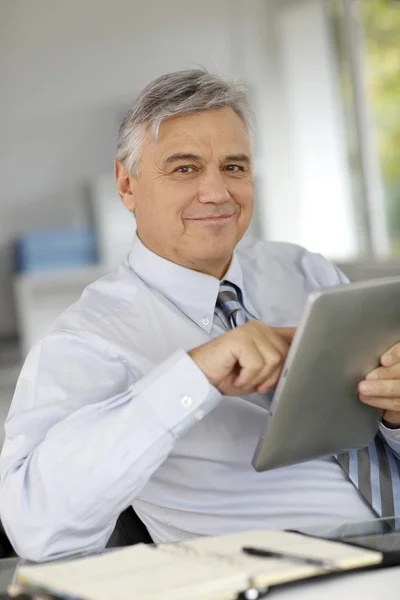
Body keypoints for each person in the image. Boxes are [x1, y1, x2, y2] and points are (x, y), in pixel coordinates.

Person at [1, 70, 400, 563]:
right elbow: (36, 528)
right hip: (302, 578)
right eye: (185, 169)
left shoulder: (303, 271)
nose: (217, 192)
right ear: (127, 185)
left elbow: (375, 433)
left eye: (234, 166)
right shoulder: (84, 342)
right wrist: (192, 376)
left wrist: (393, 415)